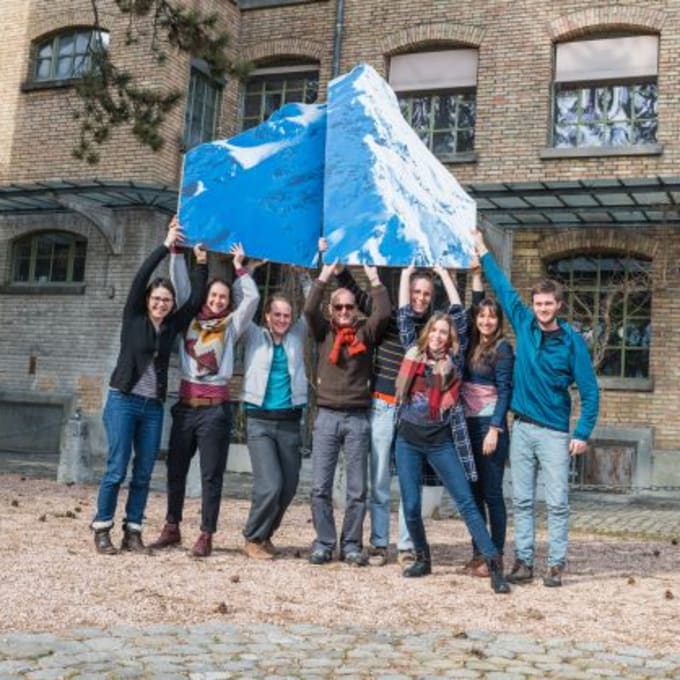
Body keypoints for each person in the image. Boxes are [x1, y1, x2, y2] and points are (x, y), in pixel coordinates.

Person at [475, 230, 599, 587]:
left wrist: (582, 432)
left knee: (557, 503)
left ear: (558, 305)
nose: (542, 309)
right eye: (538, 303)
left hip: (556, 432)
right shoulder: (525, 325)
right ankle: (524, 562)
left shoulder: (572, 343)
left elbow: (591, 392)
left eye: (548, 304)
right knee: (523, 501)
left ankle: (556, 564)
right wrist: (483, 249)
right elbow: (502, 286)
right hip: (523, 428)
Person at [91, 219, 207, 555]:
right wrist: (166, 243)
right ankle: (102, 529)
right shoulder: (134, 316)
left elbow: (196, 298)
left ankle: (133, 531)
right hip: (123, 401)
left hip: (152, 407)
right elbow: (142, 274)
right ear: (147, 300)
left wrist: (200, 261)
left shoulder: (171, 326)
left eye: (166, 300)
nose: (161, 304)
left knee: (143, 472)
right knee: (116, 469)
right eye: (156, 299)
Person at [334, 264, 461, 569]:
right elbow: (361, 298)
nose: (419, 298)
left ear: (432, 298)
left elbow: (457, 318)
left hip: (410, 412)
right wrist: (340, 272)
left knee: (409, 482)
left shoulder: (433, 331)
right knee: (378, 479)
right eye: (416, 292)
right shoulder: (390, 316)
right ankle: (379, 543)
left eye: (425, 294)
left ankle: (407, 544)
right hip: (381, 404)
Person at [394, 264, 510, 593]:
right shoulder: (412, 351)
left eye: (444, 333)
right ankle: (423, 557)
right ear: (427, 332)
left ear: (449, 337)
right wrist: (406, 274)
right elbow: (404, 313)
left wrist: (444, 275)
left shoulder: (455, 362)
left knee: (467, 503)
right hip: (408, 440)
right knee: (411, 505)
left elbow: (460, 312)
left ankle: (493, 562)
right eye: (435, 331)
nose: (438, 336)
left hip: (441, 443)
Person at [149, 242, 259, 557]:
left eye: (223, 297)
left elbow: (251, 299)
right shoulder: (189, 320)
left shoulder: (232, 324)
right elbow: (182, 288)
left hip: (215, 411)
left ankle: (206, 533)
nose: (218, 300)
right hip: (185, 407)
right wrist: (176, 254)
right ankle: (172, 526)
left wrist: (240, 267)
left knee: (211, 474)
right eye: (214, 295)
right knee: (175, 469)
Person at [304, 262, 390, 566]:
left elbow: (383, 313)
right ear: (331, 309)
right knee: (319, 487)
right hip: (326, 416)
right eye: (338, 307)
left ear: (356, 310)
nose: (343, 312)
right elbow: (308, 310)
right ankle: (324, 543)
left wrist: (374, 279)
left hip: (357, 418)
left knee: (357, 489)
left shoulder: (365, 334)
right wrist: (326, 274)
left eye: (349, 307)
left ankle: (352, 543)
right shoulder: (323, 331)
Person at [239, 268, 312, 560]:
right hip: (259, 420)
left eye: (286, 315)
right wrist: (245, 272)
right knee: (270, 484)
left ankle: (266, 535)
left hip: (290, 421)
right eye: (277, 314)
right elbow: (248, 301)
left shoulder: (297, 335)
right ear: (267, 316)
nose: (282, 320)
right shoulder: (253, 335)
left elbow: (313, 307)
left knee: (289, 486)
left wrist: (307, 277)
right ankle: (252, 537)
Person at [459, 261, 514, 577]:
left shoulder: (503, 349)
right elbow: (468, 308)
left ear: (498, 321)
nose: (486, 320)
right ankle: (479, 552)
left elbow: (504, 391)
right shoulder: (468, 344)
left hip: (488, 427)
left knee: (492, 494)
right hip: (466, 425)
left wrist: (495, 428)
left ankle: (497, 555)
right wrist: (475, 277)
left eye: (492, 316)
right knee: (473, 493)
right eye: (482, 315)